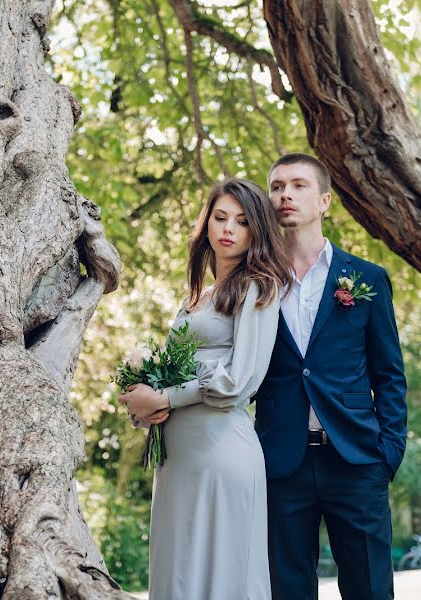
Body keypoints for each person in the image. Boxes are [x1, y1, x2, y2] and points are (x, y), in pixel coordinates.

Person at [120, 178, 292, 600]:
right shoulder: (196, 296)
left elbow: (240, 379)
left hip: (221, 449)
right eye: (220, 217)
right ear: (207, 224)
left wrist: (166, 397)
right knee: (177, 573)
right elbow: (170, 371)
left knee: (222, 577)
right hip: (177, 456)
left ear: (257, 231)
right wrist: (145, 408)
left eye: (241, 221)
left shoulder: (257, 287)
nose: (228, 228)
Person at [254, 153, 407, 600]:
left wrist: (387, 453)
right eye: (278, 186)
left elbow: (389, 375)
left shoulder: (367, 279)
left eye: (298, 185)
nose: (286, 194)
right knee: (287, 591)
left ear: (324, 201)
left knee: (370, 590)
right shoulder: (254, 283)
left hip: (356, 460)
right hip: (281, 463)